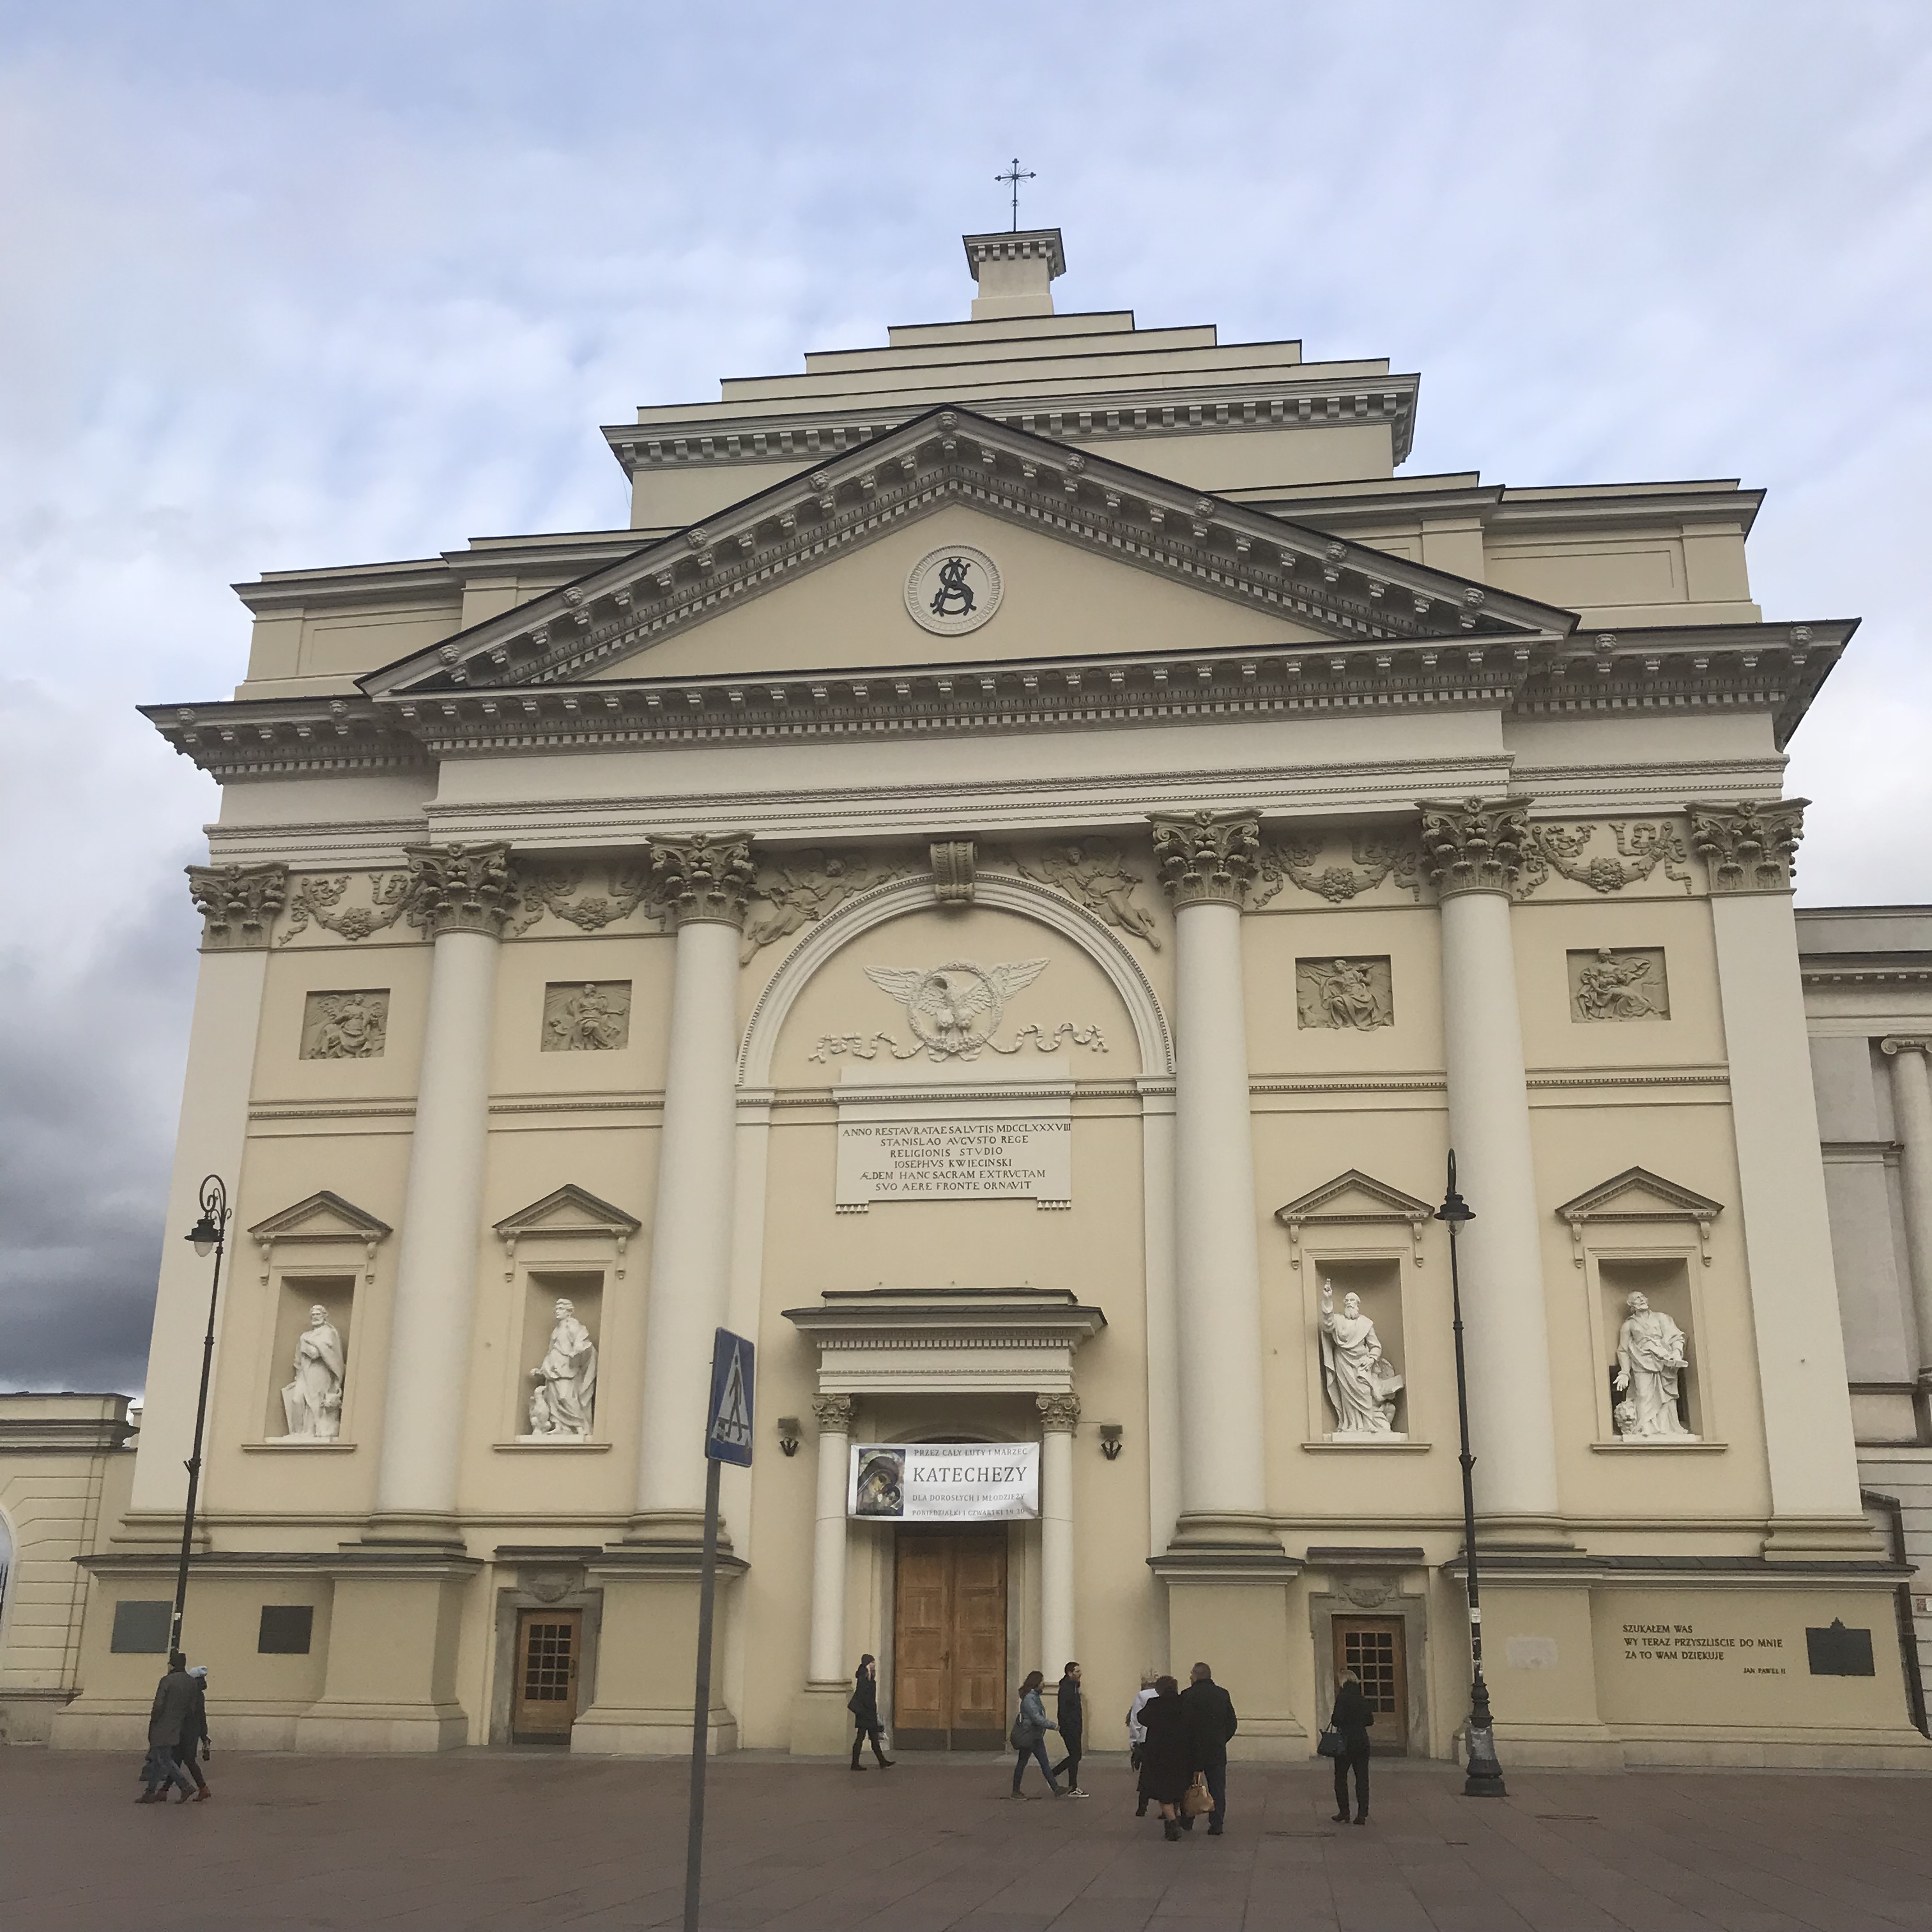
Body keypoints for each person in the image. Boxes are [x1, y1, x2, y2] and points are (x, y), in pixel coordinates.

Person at [1177, 1660, 1238, 1836]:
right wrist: (1221, 1739)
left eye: (1192, 1674)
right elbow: (1232, 1723)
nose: (1190, 1677)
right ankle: (1216, 1824)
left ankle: (1188, 1819)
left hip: (1192, 1750)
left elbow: (1182, 1724)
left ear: (1197, 1675)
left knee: (1189, 1786)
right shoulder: (1222, 1694)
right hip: (1216, 1749)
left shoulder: (1187, 1695)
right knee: (1217, 1788)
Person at [137, 1653, 199, 1804]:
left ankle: (185, 1786)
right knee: (160, 1759)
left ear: (171, 1665)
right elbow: (192, 1708)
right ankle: (150, 1792)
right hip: (179, 1724)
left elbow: (159, 1704)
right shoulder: (192, 1682)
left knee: (164, 1758)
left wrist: (154, 1720)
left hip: (162, 1724)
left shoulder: (167, 1680)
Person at [1136, 1675, 1192, 1840]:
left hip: (1159, 1754)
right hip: (1182, 1753)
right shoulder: (1185, 1703)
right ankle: (1180, 1817)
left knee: (1163, 1791)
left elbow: (1141, 1718)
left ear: (1159, 1689)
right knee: (1179, 1787)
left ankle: (1172, 1823)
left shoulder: (1154, 1704)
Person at [1330, 1668, 1374, 1825]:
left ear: (1342, 1681)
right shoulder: (1362, 1698)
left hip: (1345, 1742)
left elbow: (1336, 1720)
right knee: (1362, 1778)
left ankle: (1344, 1812)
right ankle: (1362, 1814)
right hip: (1362, 1741)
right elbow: (1370, 1721)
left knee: (1341, 1778)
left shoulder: (1342, 1698)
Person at [1009, 1669, 1062, 1799]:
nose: (1044, 1683)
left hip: (1035, 1736)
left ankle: (1056, 1788)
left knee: (1044, 1763)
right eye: (1042, 1681)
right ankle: (1016, 1791)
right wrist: (1053, 1725)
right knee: (1023, 1763)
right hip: (1030, 1736)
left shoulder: (1034, 1697)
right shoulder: (1030, 1699)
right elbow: (1037, 1718)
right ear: (1036, 1683)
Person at [174, 1663, 212, 1801]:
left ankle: (203, 1788)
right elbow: (202, 1716)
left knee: (186, 1760)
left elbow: (191, 1714)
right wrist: (204, 1735)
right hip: (193, 1731)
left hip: (187, 1731)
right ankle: (163, 1790)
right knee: (177, 1760)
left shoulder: (192, 1694)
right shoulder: (199, 1694)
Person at [847, 1654, 893, 1770]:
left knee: (874, 1738)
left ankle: (882, 1761)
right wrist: (870, 1710)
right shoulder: (863, 1677)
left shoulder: (868, 1676)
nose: (874, 1665)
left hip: (869, 1713)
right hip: (865, 1713)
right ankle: (855, 1763)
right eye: (872, 1663)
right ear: (867, 1664)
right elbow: (863, 1696)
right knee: (861, 1738)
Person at [1050, 1661, 1087, 1797]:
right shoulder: (1066, 1688)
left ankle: (1070, 1785)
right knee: (1075, 1756)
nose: (1080, 1674)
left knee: (1075, 1756)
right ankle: (1055, 1776)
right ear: (1070, 1673)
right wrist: (1068, 1727)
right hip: (1070, 1728)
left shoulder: (1074, 1686)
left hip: (1075, 1727)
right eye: (1077, 1671)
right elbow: (1064, 1711)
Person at [1126, 1671, 1158, 1816]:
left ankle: (1142, 1807)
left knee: (1146, 1774)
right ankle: (1169, 1808)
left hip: (1146, 1739)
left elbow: (1136, 1720)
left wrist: (1133, 1740)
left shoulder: (1142, 1696)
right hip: (1165, 1741)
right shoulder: (1167, 1695)